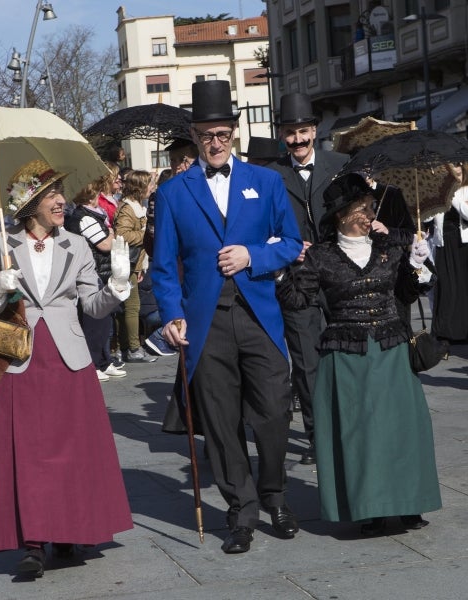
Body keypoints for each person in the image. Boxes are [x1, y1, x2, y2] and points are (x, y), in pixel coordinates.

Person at [152, 79, 303, 554]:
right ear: (194, 137)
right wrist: (172, 315)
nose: (214, 143)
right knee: (219, 422)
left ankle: (274, 493)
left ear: (234, 133)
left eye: (221, 134)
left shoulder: (267, 182)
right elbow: (163, 265)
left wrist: (252, 257)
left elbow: (293, 243)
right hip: (205, 321)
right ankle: (241, 511)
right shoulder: (175, 193)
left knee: (276, 411)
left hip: (259, 314)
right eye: (204, 135)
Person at [0, 159, 133, 576]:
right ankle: (32, 543)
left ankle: (68, 531)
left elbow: (92, 306)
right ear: (29, 204)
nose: (61, 201)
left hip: (69, 359)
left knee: (72, 449)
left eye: (60, 193)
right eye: (51, 195)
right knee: (27, 452)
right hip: (20, 359)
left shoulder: (77, 245)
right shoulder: (1, 243)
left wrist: (118, 285)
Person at [276, 172, 441, 535]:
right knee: (362, 433)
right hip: (347, 355)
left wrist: (417, 267)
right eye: (361, 208)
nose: (369, 214)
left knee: (402, 429)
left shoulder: (389, 247)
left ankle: (409, 502)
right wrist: (280, 271)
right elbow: (295, 300)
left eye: (369, 207)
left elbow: (407, 294)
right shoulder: (320, 256)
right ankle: (370, 506)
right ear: (341, 215)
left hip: (391, 348)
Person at [265, 91, 349, 465]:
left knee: (348, 351)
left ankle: (351, 425)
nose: (297, 140)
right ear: (281, 135)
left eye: (302, 131)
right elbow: (260, 225)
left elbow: (356, 212)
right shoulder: (271, 175)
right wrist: (284, 246)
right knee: (306, 360)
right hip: (296, 280)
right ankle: (318, 437)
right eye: (289, 133)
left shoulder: (342, 164)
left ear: (315, 130)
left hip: (341, 274)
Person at [64, 179, 127, 381]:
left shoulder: (93, 215)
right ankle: (93, 362)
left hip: (100, 271)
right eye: (97, 192)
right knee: (94, 323)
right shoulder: (84, 217)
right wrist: (111, 232)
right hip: (93, 272)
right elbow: (106, 244)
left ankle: (103, 361)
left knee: (104, 322)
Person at [430, 162, 468, 355]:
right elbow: (430, 217)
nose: (454, 173)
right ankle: (444, 336)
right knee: (446, 289)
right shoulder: (439, 189)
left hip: (466, 245)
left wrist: (452, 191)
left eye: (457, 170)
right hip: (445, 244)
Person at [114, 169, 157, 364]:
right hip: (126, 264)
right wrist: (145, 235)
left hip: (134, 265)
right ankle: (133, 348)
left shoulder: (138, 206)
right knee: (132, 307)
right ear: (140, 188)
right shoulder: (128, 209)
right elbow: (121, 235)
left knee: (129, 307)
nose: (152, 187)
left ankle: (125, 347)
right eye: (149, 184)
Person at [96, 161, 122, 228]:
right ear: (107, 177)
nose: (119, 177)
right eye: (116, 175)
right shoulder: (98, 200)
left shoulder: (115, 198)